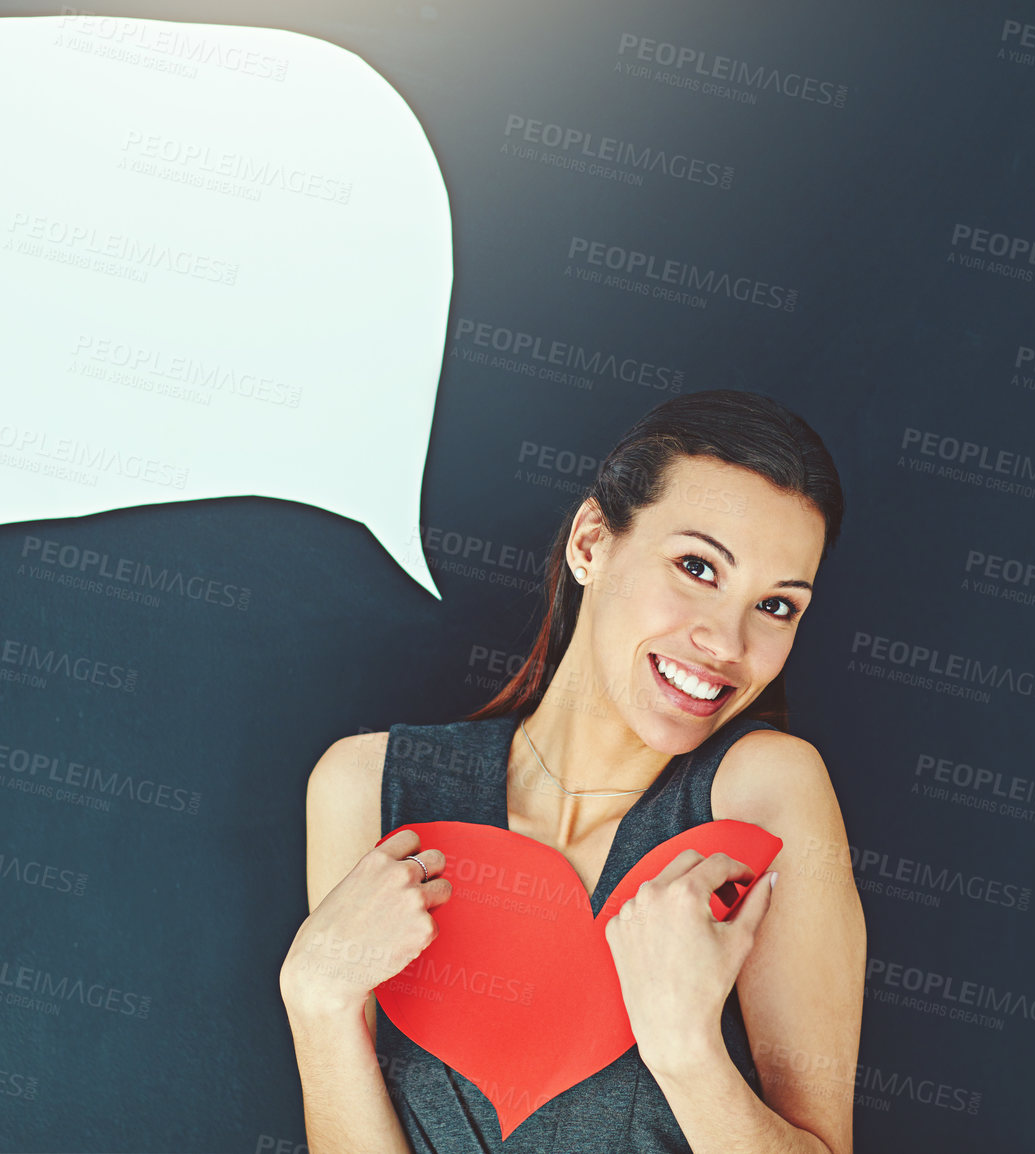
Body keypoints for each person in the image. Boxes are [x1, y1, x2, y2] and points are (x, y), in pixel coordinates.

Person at [279, 390, 865, 1153]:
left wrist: (685, 1048)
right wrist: (316, 1002)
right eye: (696, 567)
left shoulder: (764, 796)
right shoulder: (370, 787)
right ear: (591, 542)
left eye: (778, 607)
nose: (726, 641)